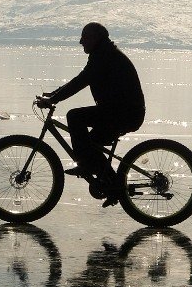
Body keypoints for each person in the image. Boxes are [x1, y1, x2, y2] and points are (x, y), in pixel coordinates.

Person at [37, 23, 145, 188]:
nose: (81, 41)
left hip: (124, 113)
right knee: (90, 145)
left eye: (84, 37)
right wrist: (54, 94)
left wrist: (54, 100)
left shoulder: (104, 56)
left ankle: (89, 167)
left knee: (74, 117)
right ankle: (112, 183)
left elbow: (81, 81)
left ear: (96, 38)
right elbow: (81, 78)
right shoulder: (103, 53)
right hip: (121, 112)